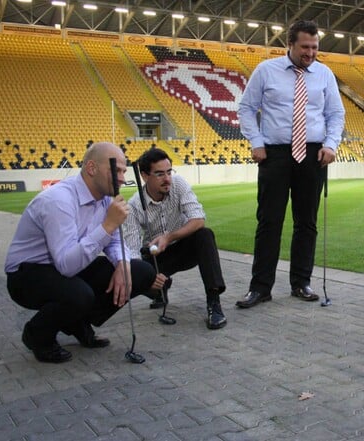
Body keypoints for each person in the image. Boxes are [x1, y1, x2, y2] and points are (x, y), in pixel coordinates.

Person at [5, 142, 159, 363]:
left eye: (124, 171)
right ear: (91, 168)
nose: (122, 178)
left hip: (65, 266)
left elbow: (115, 242)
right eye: (115, 170)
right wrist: (107, 225)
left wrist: (123, 263)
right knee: (79, 295)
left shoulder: (106, 199)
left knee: (140, 271)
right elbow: (66, 264)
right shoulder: (58, 200)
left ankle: (76, 321)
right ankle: (37, 334)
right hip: (27, 274)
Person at [236, 19, 345, 308]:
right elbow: (246, 108)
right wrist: (256, 142)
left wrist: (331, 144)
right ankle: (260, 288)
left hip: (313, 154)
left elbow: (336, 114)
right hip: (275, 154)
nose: (310, 53)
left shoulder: (324, 74)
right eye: (305, 47)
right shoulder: (266, 70)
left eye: (315, 47)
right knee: (269, 221)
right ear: (290, 44)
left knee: (306, 223)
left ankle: (301, 283)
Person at [123, 148, 227, 329]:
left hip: (183, 248)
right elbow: (132, 251)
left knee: (204, 235)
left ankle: (214, 302)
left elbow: (198, 219)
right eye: (160, 174)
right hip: (156, 257)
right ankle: (159, 289)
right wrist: (147, 277)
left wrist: (168, 237)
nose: (167, 179)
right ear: (145, 176)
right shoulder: (133, 206)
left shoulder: (178, 184)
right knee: (139, 275)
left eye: (169, 172)